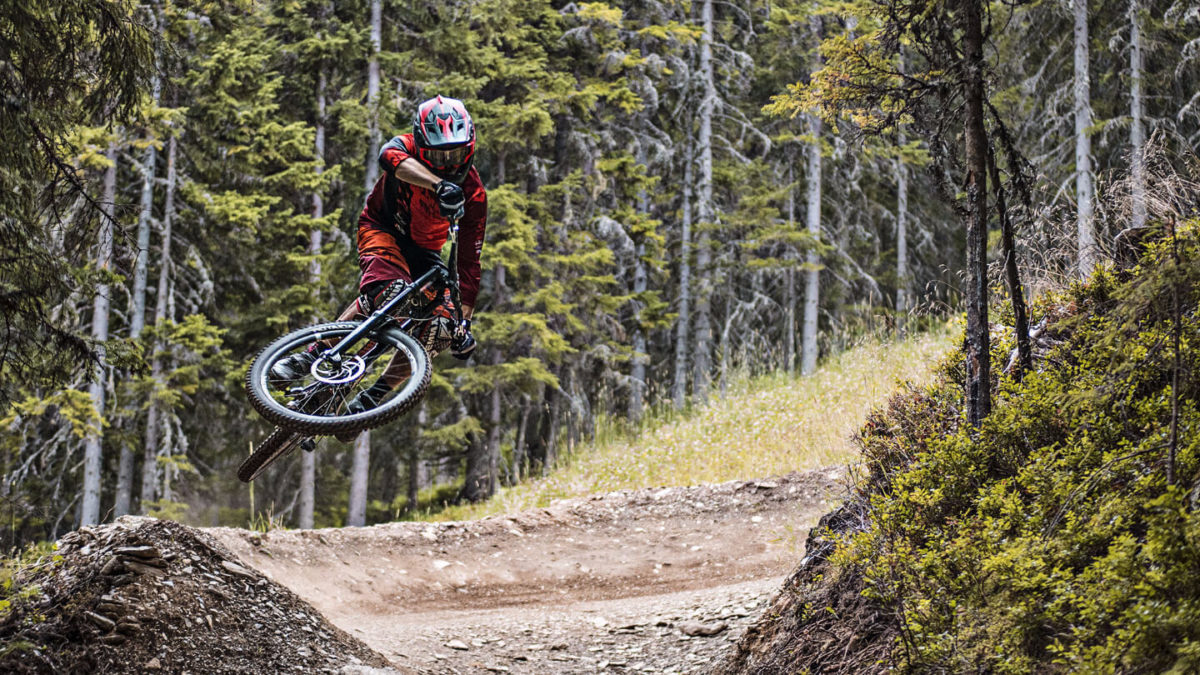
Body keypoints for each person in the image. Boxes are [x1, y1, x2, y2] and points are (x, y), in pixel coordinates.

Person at [270, 95, 487, 416]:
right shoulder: (407, 148)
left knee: (443, 325)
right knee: (387, 292)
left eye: (455, 154)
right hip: (383, 228)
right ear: (421, 144)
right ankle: (311, 355)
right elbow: (390, 156)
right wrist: (438, 185)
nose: (449, 164)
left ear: (469, 147)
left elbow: (468, 266)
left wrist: (463, 325)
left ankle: (372, 400)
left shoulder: (475, 194)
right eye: (437, 156)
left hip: (425, 252)